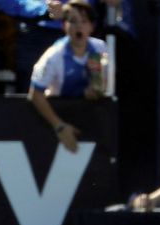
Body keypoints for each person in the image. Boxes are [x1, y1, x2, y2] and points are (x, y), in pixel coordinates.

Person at [27, 0, 107, 153]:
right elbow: (35, 94)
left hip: (87, 117)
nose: (79, 26)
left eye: (84, 21)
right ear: (64, 26)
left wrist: (97, 89)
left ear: (92, 27)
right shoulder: (52, 56)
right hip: (56, 117)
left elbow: (102, 87)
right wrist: (59, 126)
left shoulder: (100, 49)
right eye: (73, 21)